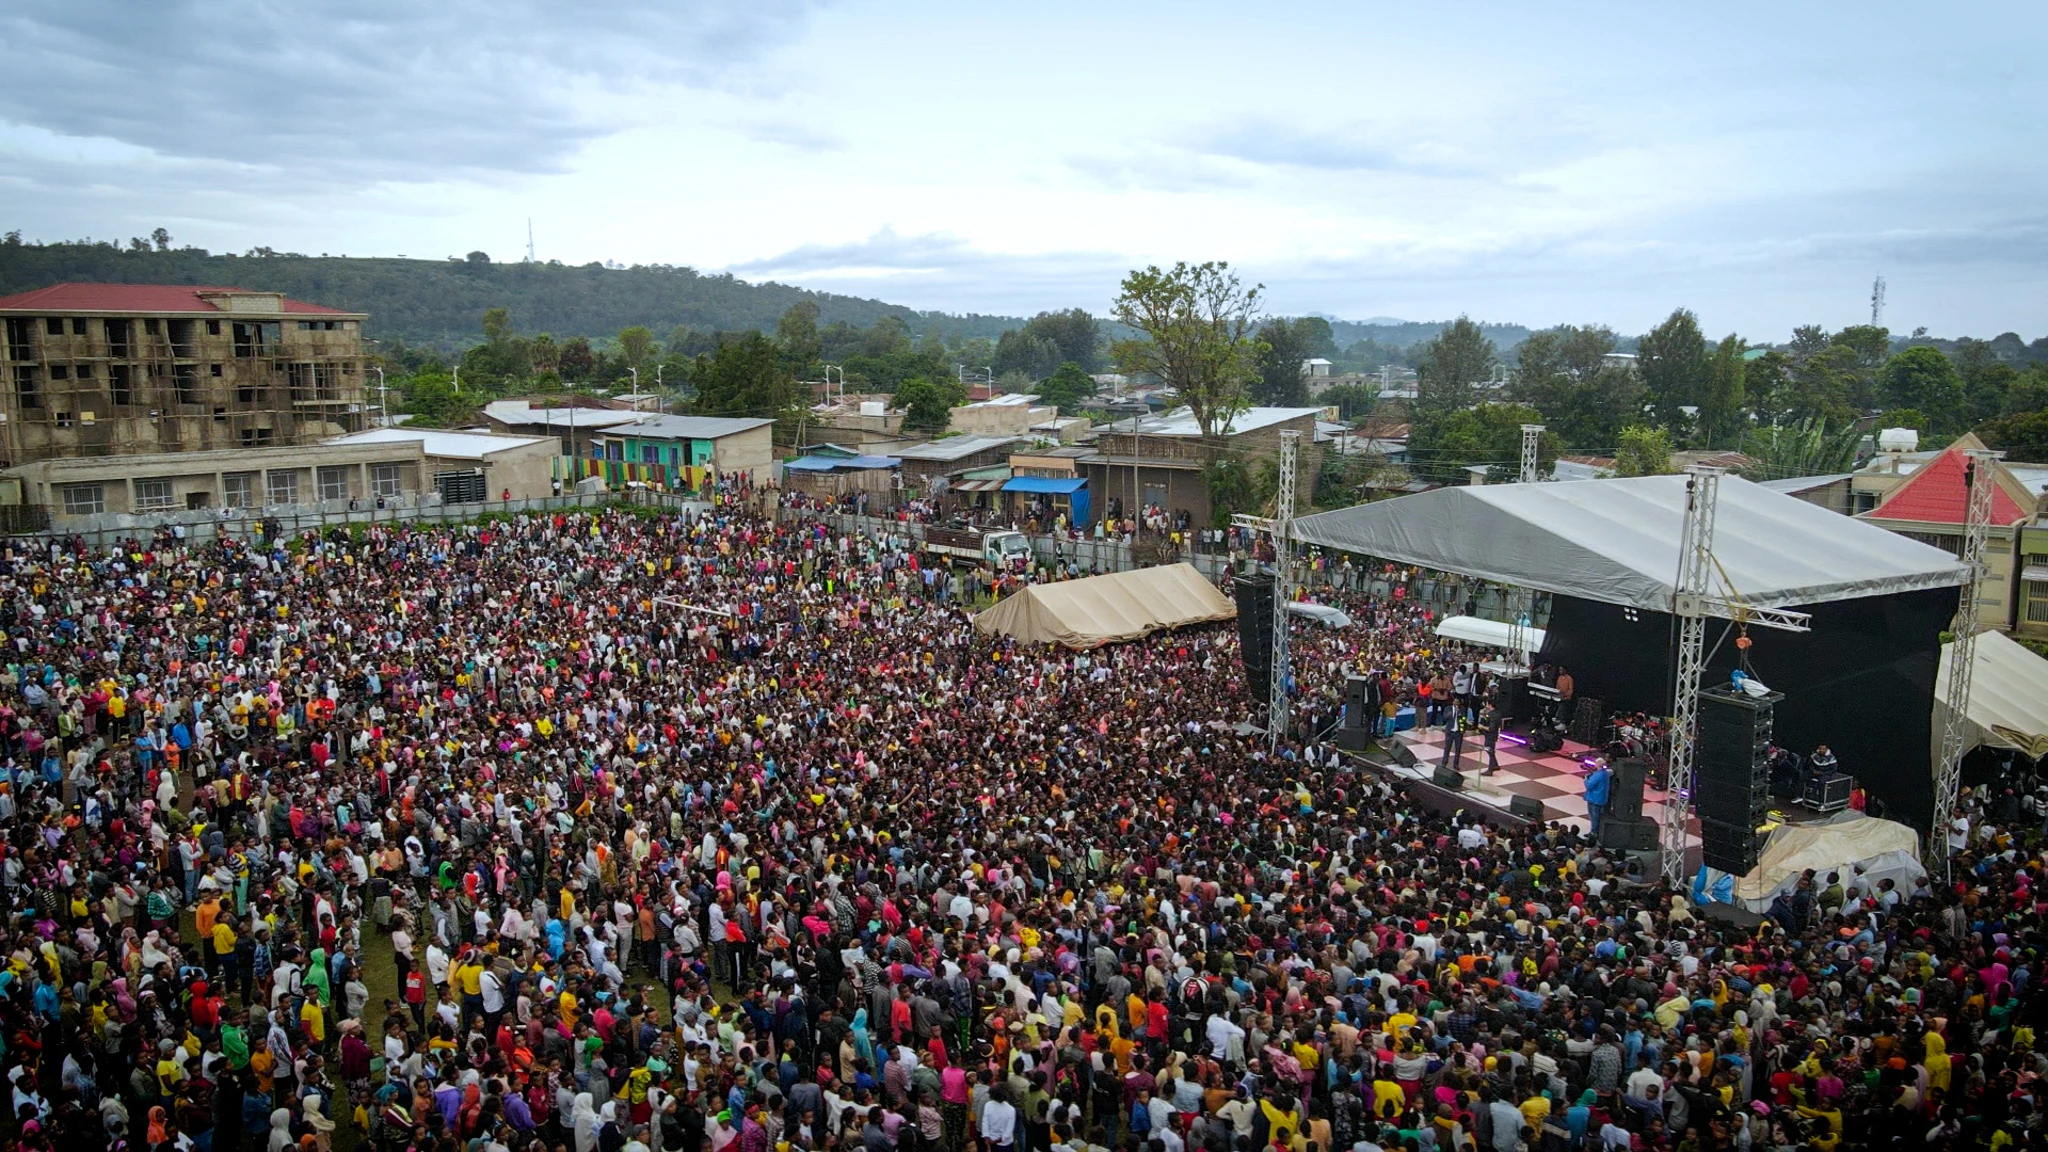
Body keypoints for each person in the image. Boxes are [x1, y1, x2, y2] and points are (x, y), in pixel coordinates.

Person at [1582, 757, 1613, 837]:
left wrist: (1586, 779)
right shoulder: (1605, 773)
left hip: (1594, 798)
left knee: (1594, 816)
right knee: (1597, 815)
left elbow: (1589, 785)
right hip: (1600, 798)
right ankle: (1596, 831)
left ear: (1599, 764)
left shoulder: (1598, 775)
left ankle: (1593, 832)